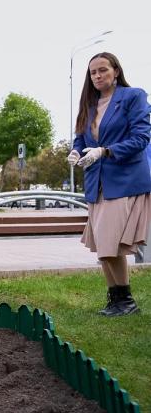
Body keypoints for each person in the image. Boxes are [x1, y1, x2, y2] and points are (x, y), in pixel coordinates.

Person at [67, 52, 150, 317]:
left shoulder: (133, 96)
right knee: (103, 246)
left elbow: (140, 138)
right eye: (93, 73)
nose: (98, 76)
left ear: (115, 71)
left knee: (111, 242)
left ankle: (126, 301)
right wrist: (76, 152)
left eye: (103, 70)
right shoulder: (89, 105)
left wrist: (104, 151)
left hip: (124, 180)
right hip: (96, 183)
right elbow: (80, 140)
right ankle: (116, 300)